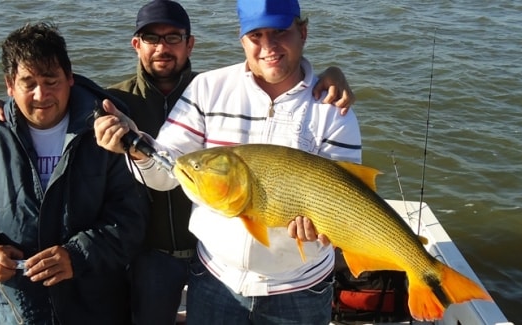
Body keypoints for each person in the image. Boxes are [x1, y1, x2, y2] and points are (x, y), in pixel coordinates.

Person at [0, 1, 354, 324]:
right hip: (179, 260)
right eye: (152, 38)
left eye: (173, 38)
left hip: (294, 282)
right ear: (136, 44)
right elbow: (62, 89)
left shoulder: (323, 103)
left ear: (190, 44)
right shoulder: (123, 101)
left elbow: (343, 191)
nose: (162, 47)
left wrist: (331, 74)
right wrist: (1, 106)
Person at [94, 0, 362, 323]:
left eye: (280, 32)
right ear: (241, 38)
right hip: (215, 281)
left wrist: (323, 231)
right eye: (256, 35)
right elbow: (168, 172)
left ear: (303, 32)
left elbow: (349, 201)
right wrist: (137, 150)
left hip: (300, 290)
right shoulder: (208, 89)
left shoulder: (335, 109)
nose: (268, 46)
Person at [0, 22, 148, 324]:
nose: (41, 94)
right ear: (10, 85)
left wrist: (76, 256)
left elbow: (131, 217)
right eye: (29, 83)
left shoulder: (106, 135)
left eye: (52, 81)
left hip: (96, 307)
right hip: (17, 310)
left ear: (70, 79)